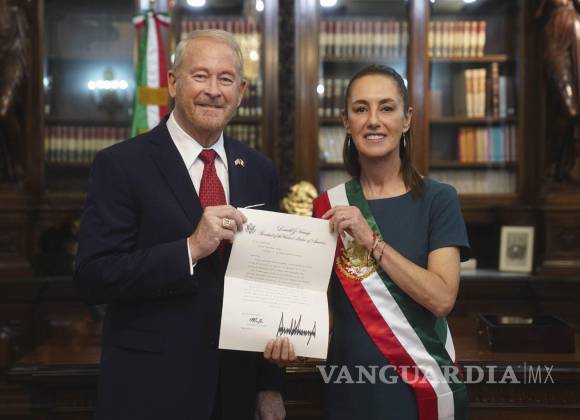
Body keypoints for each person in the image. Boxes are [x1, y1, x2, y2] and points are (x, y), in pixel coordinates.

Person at [74, 30, 285, 420]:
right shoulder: (121, 165)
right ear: (172, 82)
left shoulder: (259, 170)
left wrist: (268, 384)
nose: (213, 91)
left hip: (235, 393)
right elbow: (92, 277)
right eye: (200, 76)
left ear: (241, 91)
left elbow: (266, 283)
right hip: (150, 391)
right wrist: (189, 249)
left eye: (225, 79)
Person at [266, 65, 470, 420]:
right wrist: (289, 338)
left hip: (419, 388)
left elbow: (441, 298)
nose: (373, 120)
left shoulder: (439, 199)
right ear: (347, 121)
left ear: (406, 119)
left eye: (386, 108)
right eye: (361, 109)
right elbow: (326, 310)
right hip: (348, 385)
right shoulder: (326, 206)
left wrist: (372, 241)